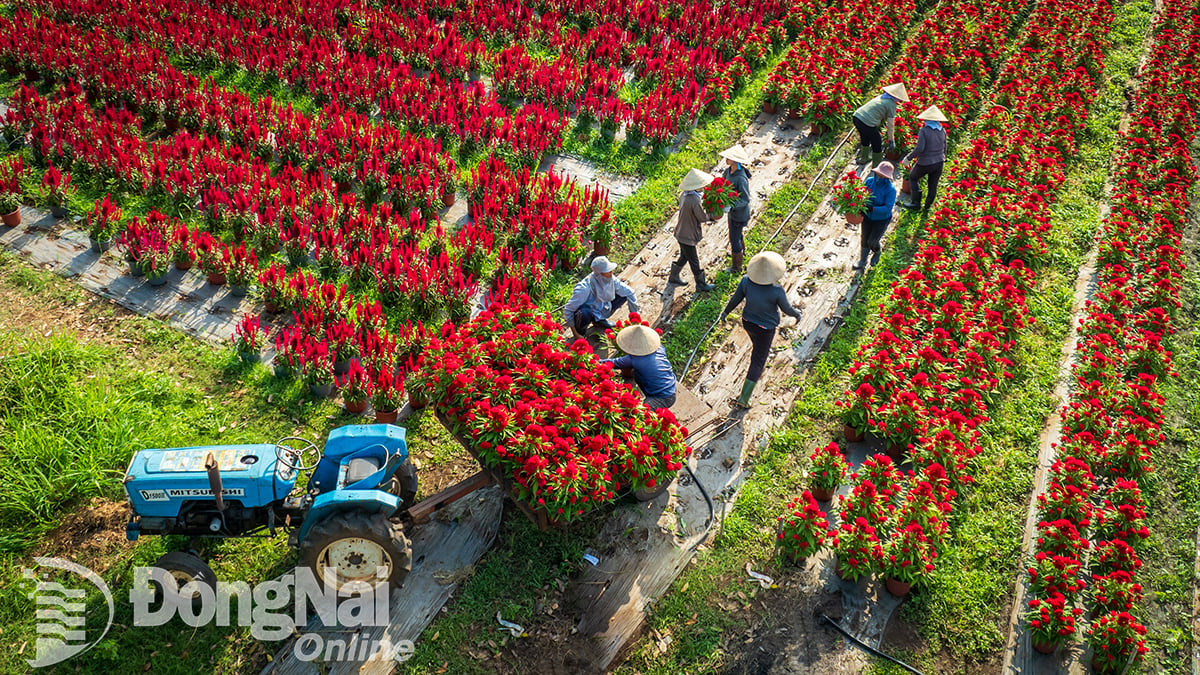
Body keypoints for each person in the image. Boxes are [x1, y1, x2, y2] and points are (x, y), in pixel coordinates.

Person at [719, 251, 801, 409]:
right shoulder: (776, 290)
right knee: (758, 361)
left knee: (757, 346)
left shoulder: (745, 281)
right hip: (765, 328)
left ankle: (757, 349)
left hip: (748, 322)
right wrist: (797, 314)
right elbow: (787, 309)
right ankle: (744, 398)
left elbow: (736, 298)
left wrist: (726, 312)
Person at [603, 324, 677, 410]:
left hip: (663, 397)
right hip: (670, 385)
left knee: (643, 411)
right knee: (636, 373)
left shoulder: (634, 359)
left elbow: (612, 363)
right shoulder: (659, 348)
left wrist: (593, 359)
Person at [564, 256, 639, 337]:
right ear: (599, 274)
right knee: (584, 313)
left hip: (602, 307)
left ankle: (599, 320)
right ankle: (581, 332)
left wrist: (635, 317)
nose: (611, 272)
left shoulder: (610, 279)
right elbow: (568, 310)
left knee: (623, 294)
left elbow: (630, 292)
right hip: (588, 312)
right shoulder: (584, 288)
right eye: (607, 271)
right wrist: (575, 334)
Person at [669, 168, 716, 292]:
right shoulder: (694, 200)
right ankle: (701, 284)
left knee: (685, 256)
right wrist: (712, 215)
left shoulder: (684, 195)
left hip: (681, 232)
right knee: (694, 260)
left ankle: (673, 277)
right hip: (687, 235)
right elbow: (701, 217)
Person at [899, 105, 948, 211]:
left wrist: (908, 158)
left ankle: (916, 204)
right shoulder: (942, 131)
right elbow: (945, 148)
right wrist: (942, 158)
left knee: (913, 177)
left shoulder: (924, 130)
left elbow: (920, 148)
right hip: (939, 162)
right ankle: (927, 207)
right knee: (932, 185)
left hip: (925, 162)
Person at [852, 82, 909, 169]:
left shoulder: (882, 97)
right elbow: (890, 123)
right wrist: (891, 140)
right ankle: (876, 166)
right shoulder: (891, 104)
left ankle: (864, 158)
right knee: (877, 142)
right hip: (867, 122)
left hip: (857, 116)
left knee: (865, 137)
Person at [853, 161, 897, 271]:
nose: (879, 176)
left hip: (881, 220)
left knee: (872, 240)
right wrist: (859, 205)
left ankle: (877, 251)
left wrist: (872, 209)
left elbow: (887, 209)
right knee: (864, 238)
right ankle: (862, 260)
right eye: (878, 173)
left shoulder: (890, 190)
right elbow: (861, 195)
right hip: (867, 216)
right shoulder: (869, 182)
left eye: (882, 175)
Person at [719, 145, 755, 274]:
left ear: (735, 160)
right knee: (737, 234)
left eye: (729, 158)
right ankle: (741, 253)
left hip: (739, 214)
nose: (726, 159)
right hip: (732, 213)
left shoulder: (740, 178)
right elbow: (723, 183)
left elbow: (745, 199)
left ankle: (737, 267)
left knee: (734, 239)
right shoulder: (729, 171)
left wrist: (732, 205)